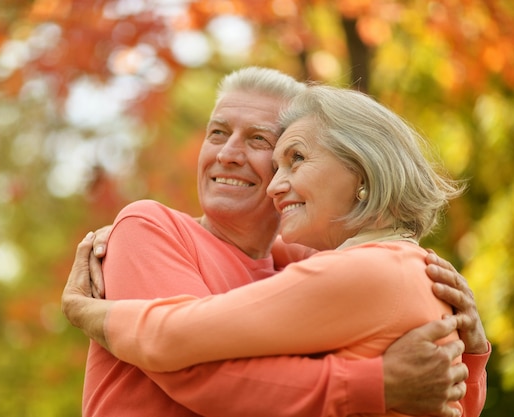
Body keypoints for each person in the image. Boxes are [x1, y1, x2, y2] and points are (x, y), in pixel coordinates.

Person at [64, 69, 490, 417]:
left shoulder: (325, 266)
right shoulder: (150, 226)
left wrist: (468, 352)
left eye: (260, 141)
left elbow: (438, 398)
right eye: (217, 132)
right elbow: (196, 375)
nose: (228, 153)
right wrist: (378, 384)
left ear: (358, 169)